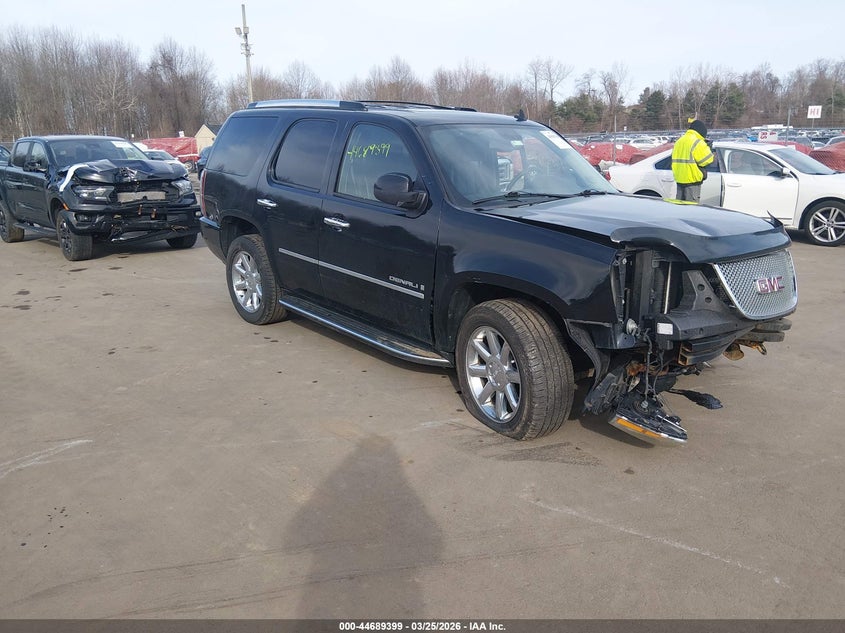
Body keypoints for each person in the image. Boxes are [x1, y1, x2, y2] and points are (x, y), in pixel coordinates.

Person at [671, 119, 715, 202]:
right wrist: (708, 148)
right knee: (691, 210)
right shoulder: (697, 142)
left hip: (680, 180)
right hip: (692, 181)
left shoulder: (679, 141)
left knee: (680, 208)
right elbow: (706, 160)